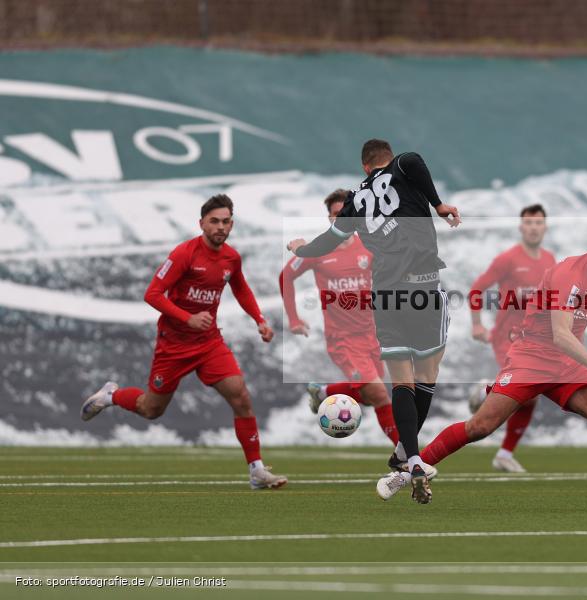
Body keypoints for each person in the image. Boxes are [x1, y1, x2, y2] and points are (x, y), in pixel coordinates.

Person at [380, 218, 587, 512]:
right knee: (481, 426)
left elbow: (573, 332)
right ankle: (406, 473)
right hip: (531, 357)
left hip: (565, 365)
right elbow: (561, 334)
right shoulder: (569, 274)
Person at [287, 139, 460, 504]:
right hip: (423, 289)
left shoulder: (354, 201)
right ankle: (406, 454)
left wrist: (300, 248)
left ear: (364, 168)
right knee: (426, 375)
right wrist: (438, 204)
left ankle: (409, 458)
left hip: (386, 296)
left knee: (401, 382)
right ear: (387, 159)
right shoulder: (401, 168)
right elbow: (414, 159)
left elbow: (326, 242)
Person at [81, 195, 286, 490]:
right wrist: (187, 318)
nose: (220, 227)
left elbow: (241, 288)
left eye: (226, 221)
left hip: (209, 342)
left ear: (232, 225)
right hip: (174, 344)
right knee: (151, 409)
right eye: (214, 221)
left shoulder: (231, 258)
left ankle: (256, 471)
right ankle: (111, 396)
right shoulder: (184, 254)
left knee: (240, 396)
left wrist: (259, 319)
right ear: (201, 223)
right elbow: (152, 294)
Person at [279, 189, 398, 445]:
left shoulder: (369, 246)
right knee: (380, 395)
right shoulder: (318, 249)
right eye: (336, 214)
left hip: (372, 336)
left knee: (368, 397)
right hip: (343, 339)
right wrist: (294, 319)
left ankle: (323, 392)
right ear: (330, 218)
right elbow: (286, 276)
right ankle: (409, 457)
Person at [467, 204, 556, 473]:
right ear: (521, 227)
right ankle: (485, 392)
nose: (533, 228)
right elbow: (477, 289)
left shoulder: (549, 260)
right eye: (528, 223)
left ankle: (504, 454)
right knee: (526, 389)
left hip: (535, 340)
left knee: (531, 396)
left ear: (545, 227)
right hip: (507, 338)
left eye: (538, 223)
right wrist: (477, 325)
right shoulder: (507, 259)